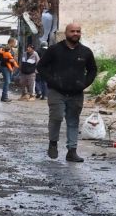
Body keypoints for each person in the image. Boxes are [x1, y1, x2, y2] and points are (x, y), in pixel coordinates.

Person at [37, 22, 98, 163]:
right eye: (72, 31)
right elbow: (41, 66)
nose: (75, 34)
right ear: (66, 33)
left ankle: (72, 151)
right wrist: (52, 82)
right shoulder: (54, 50)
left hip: (76, 93)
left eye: (78, 31)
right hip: (56, 92)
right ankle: (53, 143)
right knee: (56, 117)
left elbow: (93, 70)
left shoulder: (86, 52)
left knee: (73, 121)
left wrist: (84, 84)